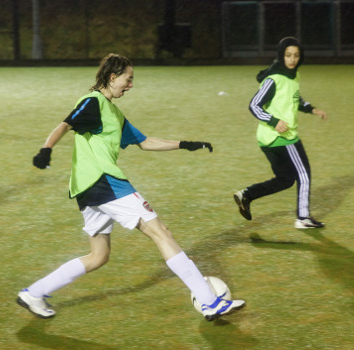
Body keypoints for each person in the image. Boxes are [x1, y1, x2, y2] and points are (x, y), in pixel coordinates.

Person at [17, 53, 246, 321]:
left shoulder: (114, 113)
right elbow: (66, 124)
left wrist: (184, 144)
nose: (131, 85)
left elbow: (145, 142)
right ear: (113, 77)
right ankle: (209, 302)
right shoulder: (93, 102)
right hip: (103, 181)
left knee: (98, 256)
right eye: (129, 79)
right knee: (160, 231)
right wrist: (46, 149)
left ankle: (34, 293)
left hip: (89, 189)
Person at [234, 37, 328, 229]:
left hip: (271, 139)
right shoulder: (274, 79)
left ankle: (247, 195)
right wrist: (274, 121)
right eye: (288, 55)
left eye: (296, 56)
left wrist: (311, 109)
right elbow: (254, 105)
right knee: (304, 175)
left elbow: (295, 98)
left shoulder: (294, 76)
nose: (292, 59)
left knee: (285, 180)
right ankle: (303, 218)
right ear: (281, 56)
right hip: (281, 137)